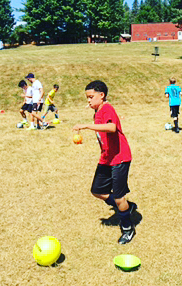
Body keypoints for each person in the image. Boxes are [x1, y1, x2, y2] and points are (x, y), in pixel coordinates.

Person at [72, 80, 137, 245]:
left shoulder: (107, 108)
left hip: (120, 158)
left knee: (119, 197)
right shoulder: (98, 111)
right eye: (87, 97)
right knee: (97, 190)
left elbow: (112, 128)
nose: (88, 100)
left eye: (91, 97)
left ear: (102, 95)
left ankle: (128, 228)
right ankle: (126, 207)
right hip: (107, 158)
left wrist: (87, 126)